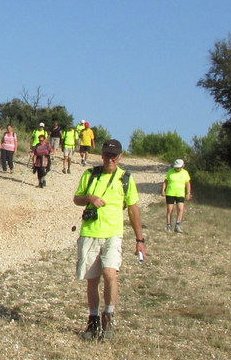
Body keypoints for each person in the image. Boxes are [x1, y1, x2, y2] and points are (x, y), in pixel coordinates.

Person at [72, 139, 146, 341]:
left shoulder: (126, 178)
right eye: (106, 155)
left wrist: (140, 239)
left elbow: (133, 209)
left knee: (110, 273)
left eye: (114, 156)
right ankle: (93, 318)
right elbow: (76, 199)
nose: (110, 159)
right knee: (92, 279)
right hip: (90, 232)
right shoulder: (90, 175)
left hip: (113, 233)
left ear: (120, 157)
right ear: (102, 155)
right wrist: (89, 198)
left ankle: (109, 316)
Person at [162, 158, 192, 233]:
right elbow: (165, 181)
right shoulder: (170, 172)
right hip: (170, 193)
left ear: (183, 166)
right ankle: (168, 226)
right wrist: (163, 190)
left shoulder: (185, 173)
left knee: (180, 209)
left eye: (179, 167)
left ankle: (178, 225)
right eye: (176, 167)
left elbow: (187, 183)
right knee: (169, 209)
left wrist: (188, 193)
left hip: (180, 193)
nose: (177, 169)